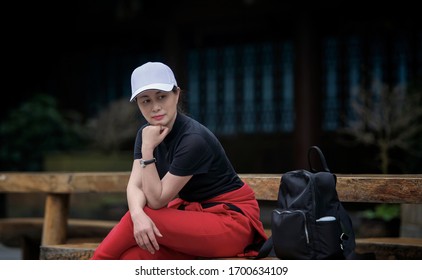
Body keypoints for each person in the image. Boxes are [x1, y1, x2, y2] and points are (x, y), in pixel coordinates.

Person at [91, 62, 267, 260]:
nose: (155, 107)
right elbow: (135, 186)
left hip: (230, 223)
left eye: (162, 96)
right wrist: (137, 215)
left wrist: (147, 150)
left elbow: (156, 201)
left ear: (176, 94)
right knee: (134, 256)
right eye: (145, 101)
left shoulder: (193, 139)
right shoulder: (145, 134)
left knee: (143, 218)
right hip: (192, 220)